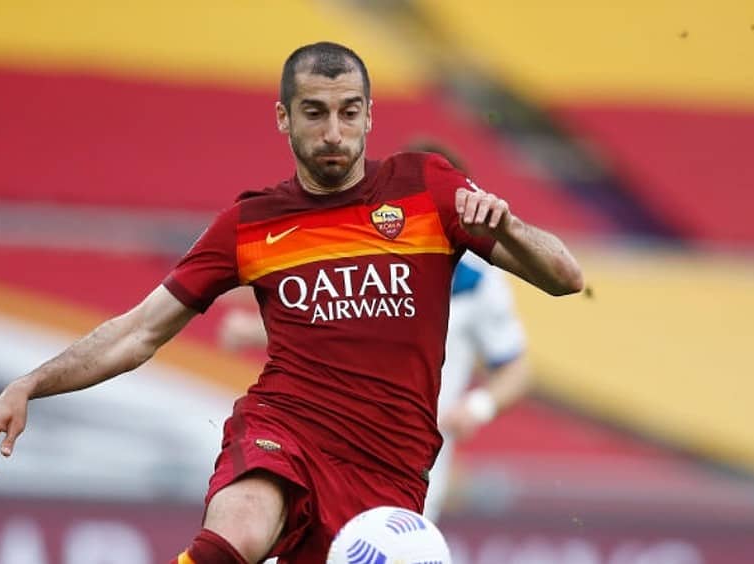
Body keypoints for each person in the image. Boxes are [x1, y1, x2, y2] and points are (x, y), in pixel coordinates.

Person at [0, 42, 584, 564]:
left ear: (370, 116)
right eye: (314, 113)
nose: (333, 132)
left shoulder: (426, 187)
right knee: (237, 530)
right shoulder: (251, 223)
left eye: (349, 112)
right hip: (284, 427)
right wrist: (30, 383)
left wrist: (507, 227)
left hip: (388, 470)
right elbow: (139, 333)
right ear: (284, 118)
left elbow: (565, 276)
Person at [218, 150, 531, 523]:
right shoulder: (371, 251)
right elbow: (335, 325)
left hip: (411, 459)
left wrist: (478, 407)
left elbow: (516, 368)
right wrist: (256, 329)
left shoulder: (478, 281)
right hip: (329, 438)